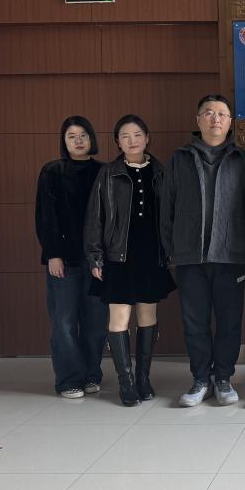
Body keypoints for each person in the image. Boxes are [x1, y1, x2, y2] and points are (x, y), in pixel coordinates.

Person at [161, 94, 245, 408]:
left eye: (222, 114)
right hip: (190, 255)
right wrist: (170, 249)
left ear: (230, 122)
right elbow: (167, 206)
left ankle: (223, 377)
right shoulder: (180, 158)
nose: (216, 119)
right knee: (195, 322)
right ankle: (200, 378)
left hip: (231, 254)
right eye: (209, 113)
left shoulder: (243, 159)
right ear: (198, 120)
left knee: (229, 321)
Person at [84, 114, 175, 406]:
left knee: (148, 316)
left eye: (137, 135)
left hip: (151, 255)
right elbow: (95, 218)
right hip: (117, 257)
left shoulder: (161, 172)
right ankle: (126, 382)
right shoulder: (108, 174)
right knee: (119, 318)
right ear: (117, 142)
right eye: (125, 136)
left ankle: (143, 378)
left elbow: (171, 216)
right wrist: (95, 257)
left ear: (147, 138)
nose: (132, 140)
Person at [35, 116, 106, 398]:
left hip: (97, 260)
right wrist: (52, 254)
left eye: (83, 135)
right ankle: (68, 379)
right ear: (63, 142)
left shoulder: (104, 171)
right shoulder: (52, 171)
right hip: (63, 259)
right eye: (71, 136)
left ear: (92, 138)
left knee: (96, 322)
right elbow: (45, 216)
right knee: (64, 322)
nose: (78, 141)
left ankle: (91, 373)